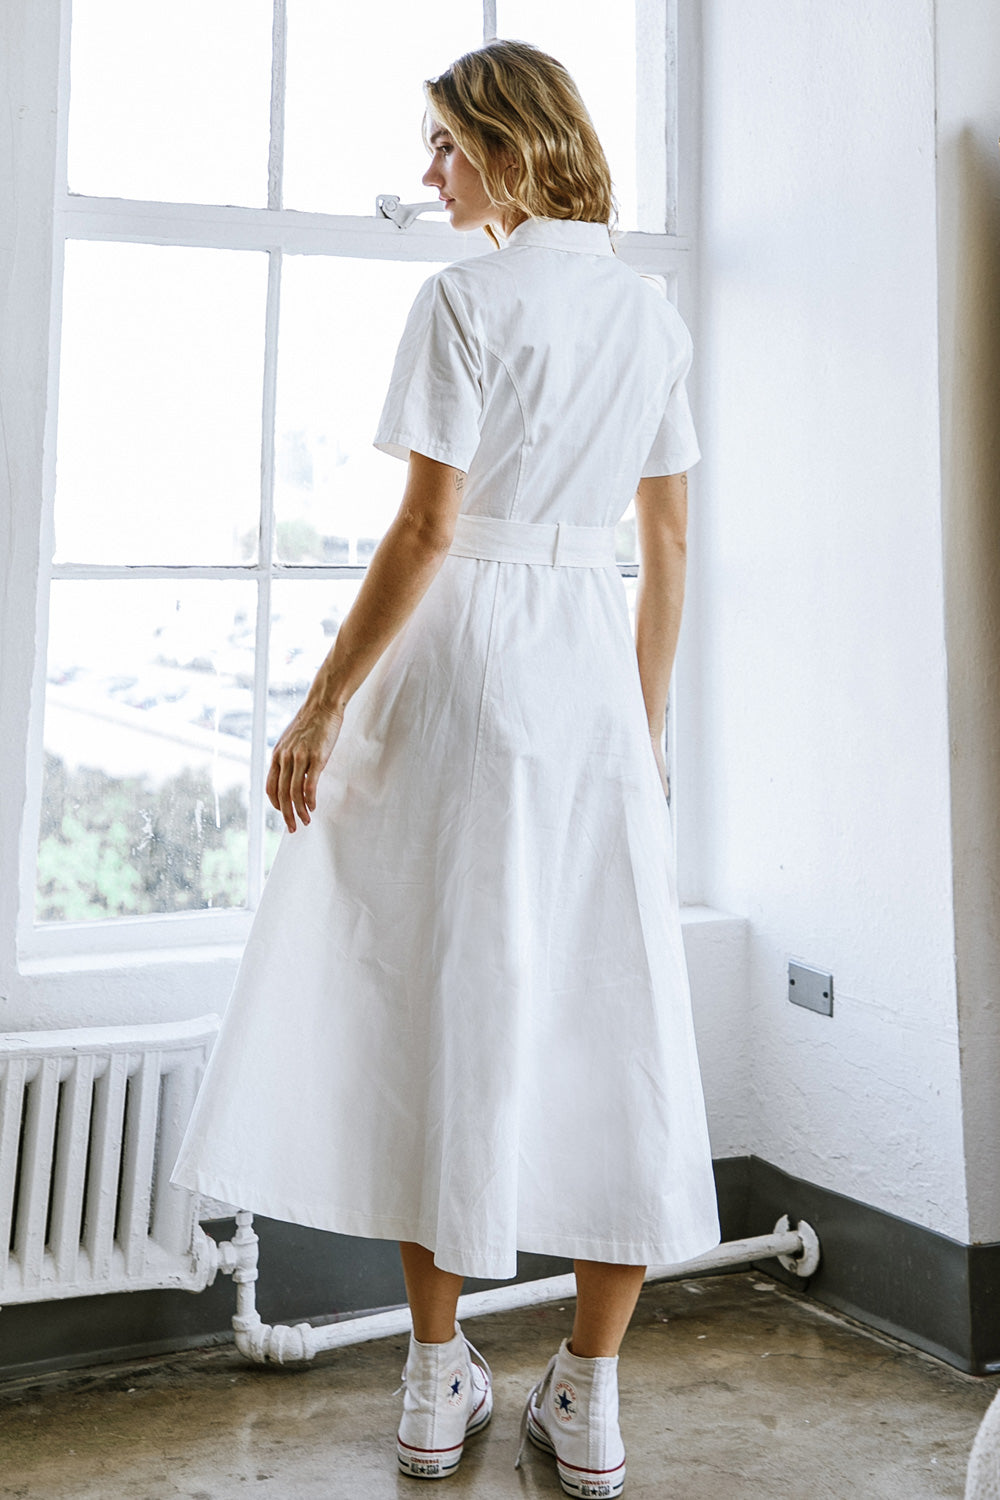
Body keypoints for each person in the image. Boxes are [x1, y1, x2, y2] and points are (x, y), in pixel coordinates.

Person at [172, 39, 719, 1495]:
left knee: (438, 999)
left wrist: (317, 706)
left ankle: (433, 1385)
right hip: (591, 678)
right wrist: (645, 731)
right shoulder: (651, 318)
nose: (428, 176)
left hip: (466, 662)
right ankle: (588, 1400)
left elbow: (426, 532)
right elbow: (667, 549)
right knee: (616, 1026)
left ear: (514, 142)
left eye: (444, 145)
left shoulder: (466, 300)